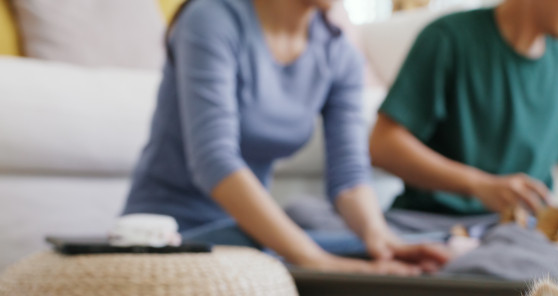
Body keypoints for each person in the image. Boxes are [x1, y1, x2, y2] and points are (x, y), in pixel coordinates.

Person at [123, 0, 448, 275]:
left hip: (252, 231)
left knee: (402, 246)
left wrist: (380, 239)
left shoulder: (339, 54)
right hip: (173, 232)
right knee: (295, 247)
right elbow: (214, 161)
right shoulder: (211, 18)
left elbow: (348, 176)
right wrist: (313, 259)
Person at [369, 0, 558, 240]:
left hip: (523, 228)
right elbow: (383, 144)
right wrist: (479, 185)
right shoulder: (448, 38)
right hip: (438, 222)